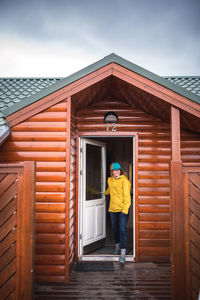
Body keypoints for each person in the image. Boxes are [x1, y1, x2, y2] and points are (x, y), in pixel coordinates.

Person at [104, 162, 131, 264]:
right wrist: (100, 193)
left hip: (123, 210)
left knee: (122, 229)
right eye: (115, 170)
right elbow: (109, 190)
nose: (117, 171)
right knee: (115, 229)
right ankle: (117, 247)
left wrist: (125, 209)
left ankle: (123, 253)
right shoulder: (110, 180)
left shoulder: (125, 181)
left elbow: (127, 197)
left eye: (118, 170)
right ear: (111, 172)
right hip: (112, 209)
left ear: (120, 170)